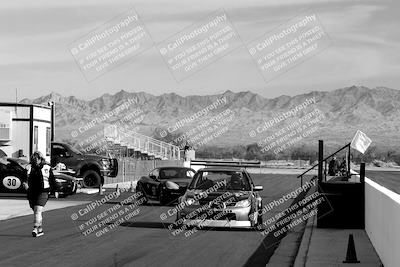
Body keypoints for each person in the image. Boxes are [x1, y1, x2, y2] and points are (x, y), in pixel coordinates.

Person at [22, 151, 56, 237]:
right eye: (33, 159)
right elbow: (24, 180)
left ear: (41, 159)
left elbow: (52, 181)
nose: (35, 161)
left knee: (38, 210)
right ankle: (40, 229)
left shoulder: (47, 168)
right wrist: (25, 185)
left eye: (36, 159)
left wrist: (54, 191)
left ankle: (35, 228)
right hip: (31, 192)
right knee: (36, 212)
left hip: (43, 192)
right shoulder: (28, 168)